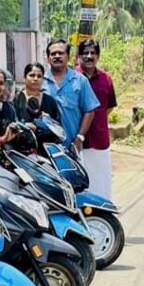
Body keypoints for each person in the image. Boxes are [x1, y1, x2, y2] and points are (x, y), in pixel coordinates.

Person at [76, 39, 118, 199]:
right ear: (79, 56)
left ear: (98, 57)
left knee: (101, 183)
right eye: (85, 53)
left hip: (99, 140)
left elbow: (109, 106)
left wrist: (97, 121)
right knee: (80, 185)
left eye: (93, 53)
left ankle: (103, 213)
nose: (89, 56)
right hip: (76, 142)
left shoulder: (106, 79)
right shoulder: (72, 78)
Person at [43, 38, 100, 153]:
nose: (57, 56)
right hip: (45, 148)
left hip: (72, 147)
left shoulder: (80, 81)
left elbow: (89, 111)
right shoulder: (40, 82)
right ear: (48, 58)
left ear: (68, 56)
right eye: (53, 54)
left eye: (61, 53)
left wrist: (80, 137)